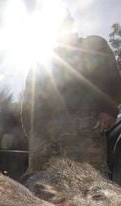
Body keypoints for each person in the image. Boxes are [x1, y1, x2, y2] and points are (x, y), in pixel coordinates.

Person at [22, 16, 121, 175]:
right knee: (39, 181)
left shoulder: (93, 44)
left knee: (88, 181)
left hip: (84, 125)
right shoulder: (41, 59)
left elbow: (111, 76)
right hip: (43, 131)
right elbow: (29, 95)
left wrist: (109, 109)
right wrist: (31, 129)